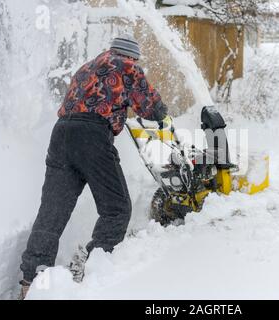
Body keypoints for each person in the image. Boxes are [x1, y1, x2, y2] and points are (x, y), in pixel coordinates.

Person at [18, 34, 168, 299]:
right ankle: (95, 272)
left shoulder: (87, 67)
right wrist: (162, 113)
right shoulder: (127, 66)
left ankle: (31, 281)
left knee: (52, 212)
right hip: (92, 136)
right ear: (131, 56)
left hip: (61, 134)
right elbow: (148, 105)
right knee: (117, 208)